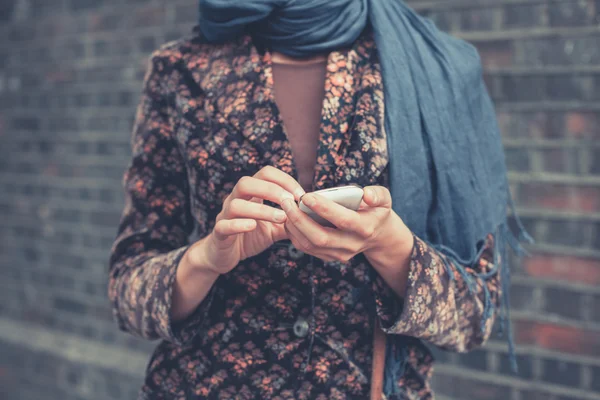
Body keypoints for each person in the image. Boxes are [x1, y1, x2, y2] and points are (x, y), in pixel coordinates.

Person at [108, 1, 530, 399]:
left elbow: (476, 315)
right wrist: (205, 259)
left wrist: (390, 247)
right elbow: (127, 290)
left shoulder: (434, 68)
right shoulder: (180, 69)